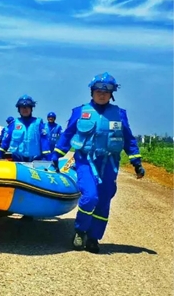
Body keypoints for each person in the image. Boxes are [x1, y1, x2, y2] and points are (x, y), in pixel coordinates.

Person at [51, 72, 145, 253]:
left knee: (103, 200)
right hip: (85, 161)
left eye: (106, 92)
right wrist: (56, 155)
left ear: (111, 94)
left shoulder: (119, 114)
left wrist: (136, 162)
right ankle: (80, 231)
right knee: (90, 197)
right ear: (92, 92)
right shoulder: (80, 112)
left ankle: (94, 238)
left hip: (109, 163)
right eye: (98, 91)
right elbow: (67, 135)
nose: (102, 94)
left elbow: (129, 140)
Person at [0, 95, 51, 161]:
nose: (25, 109)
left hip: (35, 161)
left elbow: (44, 141)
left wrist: (48, 158)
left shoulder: (38, 123)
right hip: (17, 161)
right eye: (22, 107)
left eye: (27, 107)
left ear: (31, 109)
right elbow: (6, 142)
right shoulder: (14, 124)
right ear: (19, 109)